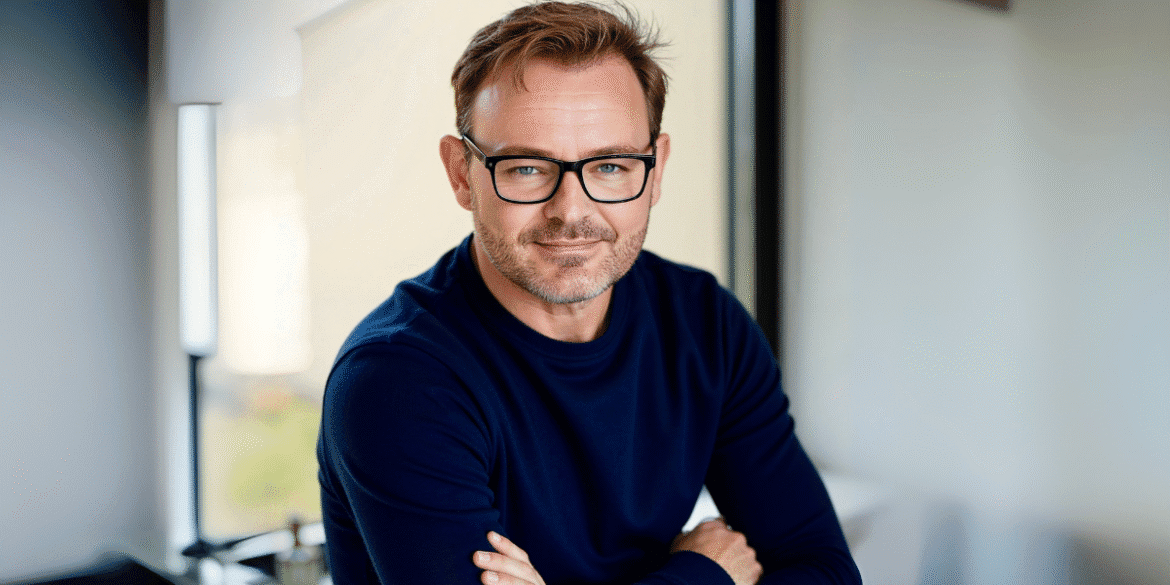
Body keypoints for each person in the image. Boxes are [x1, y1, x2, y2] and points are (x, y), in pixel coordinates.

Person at [316, 2, 861, 584]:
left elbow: (823, 570)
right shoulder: (398, 379)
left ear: (654, 172)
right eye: (526, 168)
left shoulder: (705, 325)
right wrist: (704, 575)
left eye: (610, 166)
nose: (571, 213)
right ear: (461, 174)